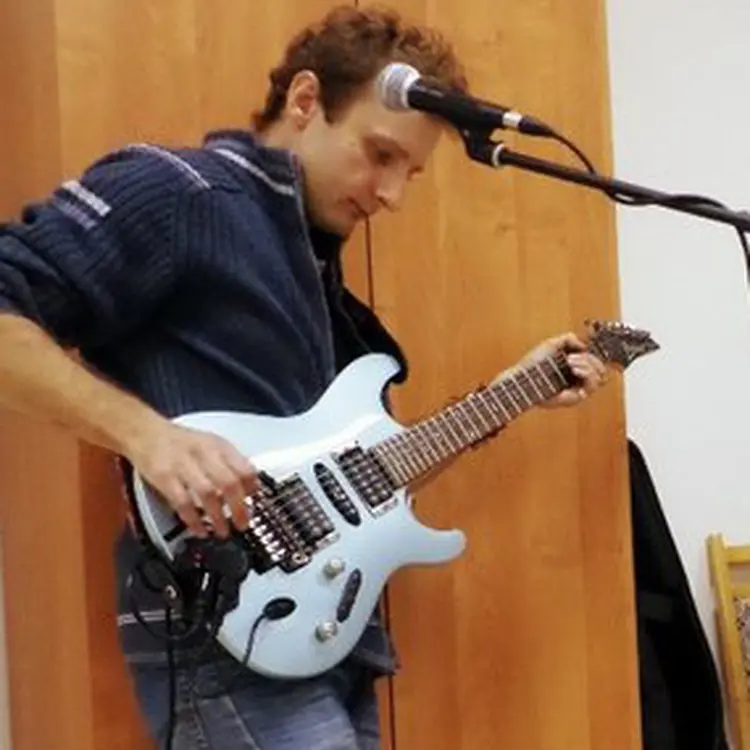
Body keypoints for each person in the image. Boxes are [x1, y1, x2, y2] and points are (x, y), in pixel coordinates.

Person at [0, 5, 606, 749]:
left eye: (410, 173)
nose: (392, 195)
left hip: (324, 636)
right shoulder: (178, 192)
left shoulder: (312, 265)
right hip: (218, 631)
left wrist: (511, 393)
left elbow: (359, 482)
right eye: (379, 155)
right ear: (306, 100)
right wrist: (147, 437)